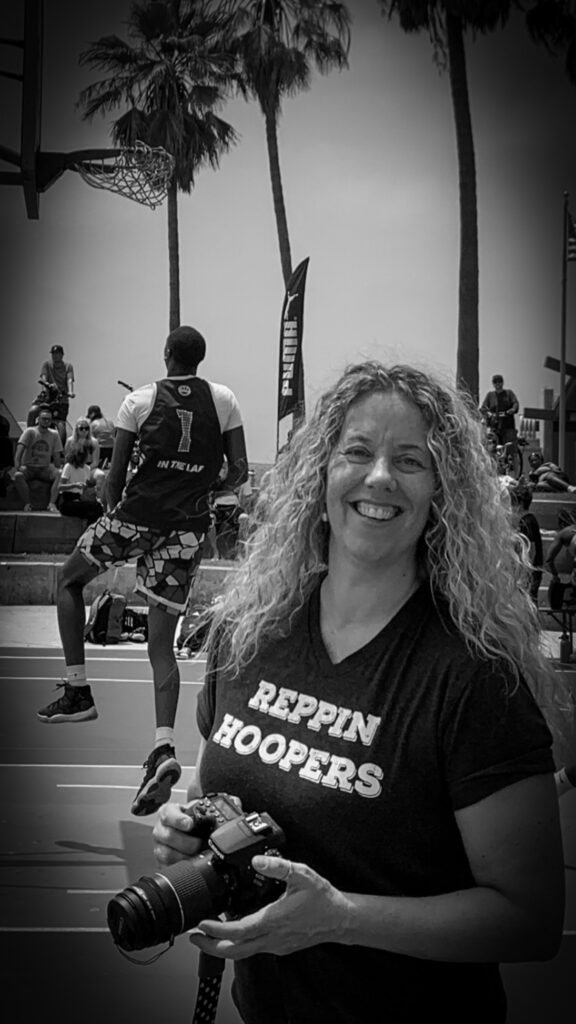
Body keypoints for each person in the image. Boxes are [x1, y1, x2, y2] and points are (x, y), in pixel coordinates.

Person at [152, 361, 567, 1024]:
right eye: (357, 452)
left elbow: (529, 918)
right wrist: (193, 835)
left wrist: (339, 919)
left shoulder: (472, 676)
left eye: (410, 459)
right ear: (320, 475)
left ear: (442, 492)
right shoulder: (247, 633)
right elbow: (216, 789)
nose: (379, 478)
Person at [36, 326, 248, 818]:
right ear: (200, 358)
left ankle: (76, 689)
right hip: (187, 531)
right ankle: (162, 747)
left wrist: (120, 515)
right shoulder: (225, 400)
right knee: (160, 645)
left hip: (137, 517)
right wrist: (201, 488)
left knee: (69, 581)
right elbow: (237, 471)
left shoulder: (140, 400)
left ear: (167, 354)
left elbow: (113, 481)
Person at [13, 405, 63, 512]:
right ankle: (28, 504)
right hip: (29, 467)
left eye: (48, 419)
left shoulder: (54, 434)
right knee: (18, 476)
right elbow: (19, 450)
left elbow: (57, 455)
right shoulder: (30, 432)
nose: (46, 421)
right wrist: (18, 466)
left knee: (59, 474)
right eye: (44, 419)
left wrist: (58, 469)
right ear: (38, 419)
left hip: (44, 468)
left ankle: (51, 503)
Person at [28, 344, 75, 445]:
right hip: (48, 398)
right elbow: (44, 377)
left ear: (62, 355)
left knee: (61, 422)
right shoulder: (47, 365)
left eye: (57, 354)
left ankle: (60, 449)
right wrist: (45, 390)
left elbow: (70, 380)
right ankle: (29, 437)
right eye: (53, 354)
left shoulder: (68, 366)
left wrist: (70, 392)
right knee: (33, 411)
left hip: (61, 399)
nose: (55, 356)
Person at [56, 439, 103, 525]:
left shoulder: (87, 468)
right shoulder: (69, 467)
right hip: (66, 500)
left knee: (98, 509)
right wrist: (74, 485)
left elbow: (86, 486)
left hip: (78, 498)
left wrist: (92, 487)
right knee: (91, 509)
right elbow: (60, 486)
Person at [65, 417, 106, 501]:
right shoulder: (70, 441)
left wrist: (85, 470)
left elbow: (95, 462)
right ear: (76, 429)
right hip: (74, 467)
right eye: (81, 428)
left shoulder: (94, 442)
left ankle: (99, 500)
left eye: (86, 428)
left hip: (89, 468)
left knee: (101, 475)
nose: (84, 430)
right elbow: (67, 459)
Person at [479, 374, 519, 447]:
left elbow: (515, 403)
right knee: (491, 447)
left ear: (502, 383)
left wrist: (512, 409)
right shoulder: (490, 395)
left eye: (499, 381)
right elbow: (483, 408)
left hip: (507, 426)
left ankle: (513, 457)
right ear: (493, 384)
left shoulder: (509, 393)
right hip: (494, 426)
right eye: (495, 382)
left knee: (510, 447)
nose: (497, 383)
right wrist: (488, 413)